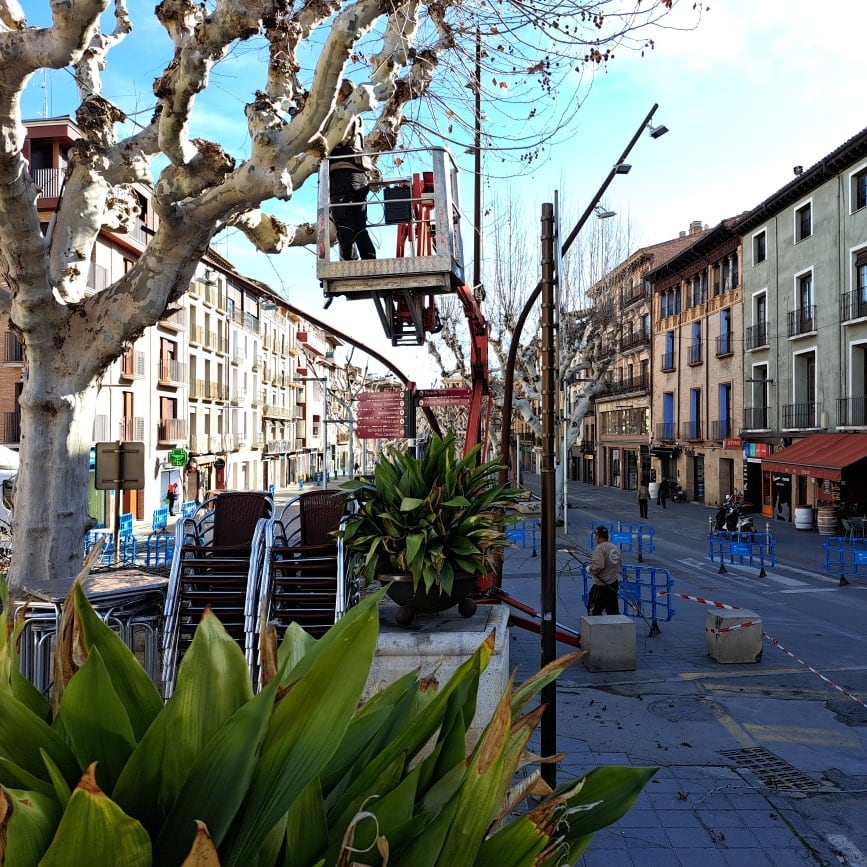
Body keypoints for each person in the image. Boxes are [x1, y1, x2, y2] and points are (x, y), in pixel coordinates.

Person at [329, 80, 376, 261]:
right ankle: (369, 261)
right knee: (358, 225)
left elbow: (338, 140)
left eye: (336, 94)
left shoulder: (344, 115)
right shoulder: (356, 116)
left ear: (342, 95)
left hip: (344, 174)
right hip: (358, 175)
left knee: (345, 224)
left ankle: (349, 264)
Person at [587, 526, 622, 615]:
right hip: (614, 584)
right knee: (613, 611)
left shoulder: (600, 548)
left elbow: (599, 566)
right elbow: (619, 562)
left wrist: (590, 569)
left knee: (594, 610)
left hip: (602, 585)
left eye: (596, 536)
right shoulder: (614, 547)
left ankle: (597, 628)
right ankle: (614, 628)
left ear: (598, 536)